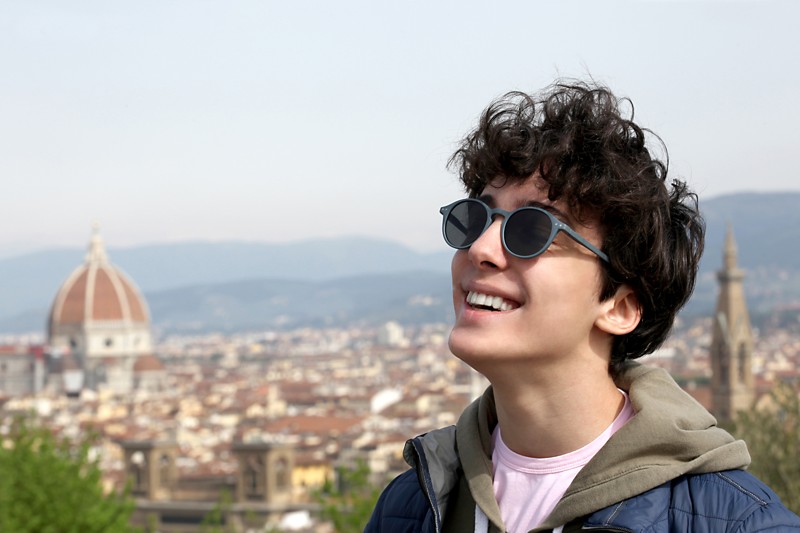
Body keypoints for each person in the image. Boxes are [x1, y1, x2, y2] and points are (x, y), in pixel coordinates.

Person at [365, 81, 800, 532]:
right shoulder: (410, 507)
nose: (481, 248)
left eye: (532, 230)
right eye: (475, 219)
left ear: (620, 307)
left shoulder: (740, 523)